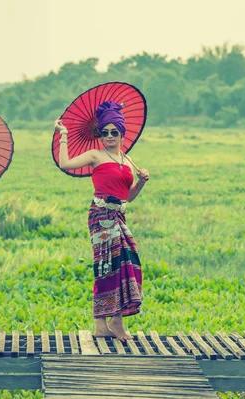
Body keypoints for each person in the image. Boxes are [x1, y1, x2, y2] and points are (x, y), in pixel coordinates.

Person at [55, 100, 149, 341]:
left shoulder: (127, 160)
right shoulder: (95, 155)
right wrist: (63, 135)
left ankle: (114, 321)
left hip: (119, 215)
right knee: (106, 265)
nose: (109, 136)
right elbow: (65, 164)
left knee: (129, 263)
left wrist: (140, 183)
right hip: (100, 216)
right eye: (104, 132)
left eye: (114, 132)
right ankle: (103, 323)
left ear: (121, 134)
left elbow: (128, 196)